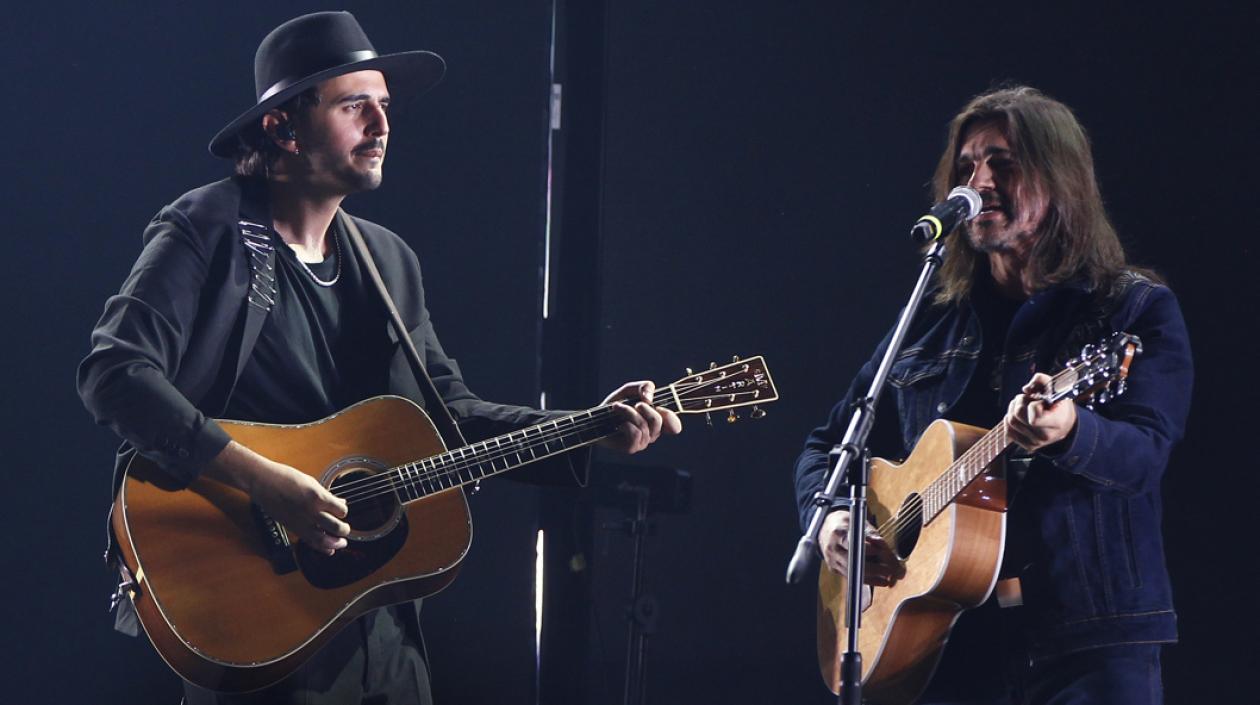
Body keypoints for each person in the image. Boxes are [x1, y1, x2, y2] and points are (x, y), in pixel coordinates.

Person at [78, 11, 680, 704]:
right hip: (258, 624)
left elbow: (450, 416)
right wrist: (268, 483)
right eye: (353, 105)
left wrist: (592, 425)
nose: (382, 125)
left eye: (385, 106)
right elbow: (113, 372)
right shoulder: (205, 229)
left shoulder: (389, 261)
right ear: (282, 126)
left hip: (383, 637)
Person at [793, 86, 1191, 704]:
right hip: (945, 644)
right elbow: (831, 446)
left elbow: (1146, 454)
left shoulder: (1131, 310)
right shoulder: (929, 319)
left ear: (1059, 178)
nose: (978, 182)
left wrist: (1070, 431)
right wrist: (832, 521)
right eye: (967, 166)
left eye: (1003, 163)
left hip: (1085, 645)